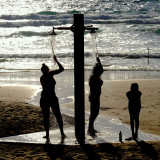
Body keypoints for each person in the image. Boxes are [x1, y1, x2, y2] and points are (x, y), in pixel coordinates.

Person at [40, 55, 66, 141]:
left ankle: (47, 134)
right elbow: (62, 69)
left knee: (46, 117)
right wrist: (56, 60)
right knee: (58, 115)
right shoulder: (50, 74)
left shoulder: (42, 77)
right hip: (52, 97)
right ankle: (62, 133)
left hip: (44, 98)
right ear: (48, 70)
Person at [87, 56, 104, 137]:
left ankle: (91, 128)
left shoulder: (94, 76)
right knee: (95, 112)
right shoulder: (94, 78)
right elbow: (102, 70)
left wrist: (99, 62)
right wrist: (99, 61)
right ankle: (90, 129)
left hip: (94, 96)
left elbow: (101, 70)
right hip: (94, 96)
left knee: (93, 112)